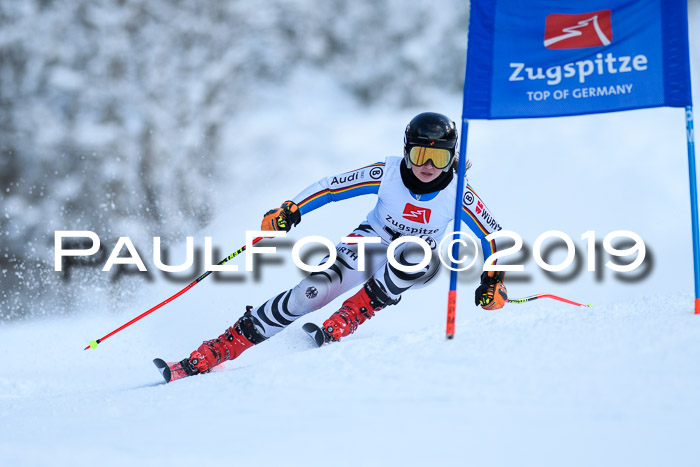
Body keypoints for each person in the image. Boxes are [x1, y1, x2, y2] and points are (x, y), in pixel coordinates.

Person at [165, 112, 508, 381]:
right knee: (310, 293)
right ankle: (222, 347)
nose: (427, 167)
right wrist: (291, 209)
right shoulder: (387, 173)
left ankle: (352, 314)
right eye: (420, 154)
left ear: (452, 157)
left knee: (413, 255)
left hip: (418, 259)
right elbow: (331, 187)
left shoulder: (458, 192)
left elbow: (493, 238)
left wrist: (493, 281)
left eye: (438, 158)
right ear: (407, 151)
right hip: (371, 240)